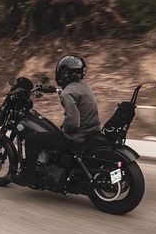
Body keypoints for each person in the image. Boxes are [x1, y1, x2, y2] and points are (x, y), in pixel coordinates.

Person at [15, 55, 101, 185]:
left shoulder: (68, 93)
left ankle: (30, 175)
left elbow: (73, 122)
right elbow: (70, 93)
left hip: (75, 137)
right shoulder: (84, 86)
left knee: (31, 139)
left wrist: (63, 130)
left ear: (66, 74)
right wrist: (54, 90)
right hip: (90, 131)